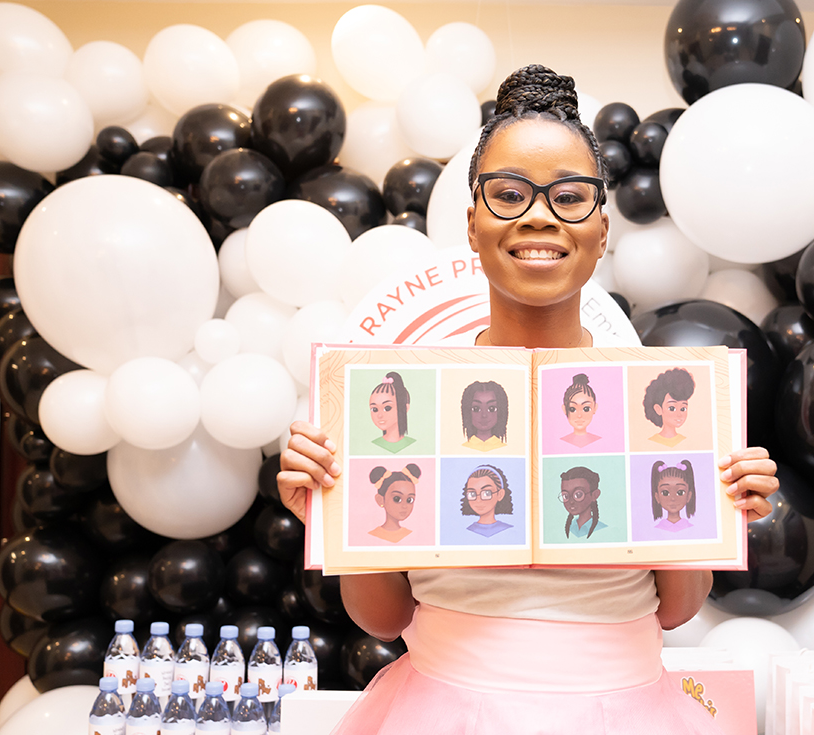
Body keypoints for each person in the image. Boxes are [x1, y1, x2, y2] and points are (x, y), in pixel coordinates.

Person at [277, 64, 779, 735]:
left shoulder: (656, 406)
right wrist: (332, 506)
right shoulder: (405, 402)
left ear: (602, 231)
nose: (539, 215)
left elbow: (673, 608)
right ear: (473, 224)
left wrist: (718, 507)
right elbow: (385, 617)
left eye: (570, 197)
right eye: (509, 193)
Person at [368, 464, 421, 543]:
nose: (404, 506)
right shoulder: (371, 536)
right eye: (397, 499)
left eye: (409, 500)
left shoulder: (412, 535)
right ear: (380, 500)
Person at [643, 368, 694, 447]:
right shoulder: (651, 443)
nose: (679, 414)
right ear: (658, 409)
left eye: (683, 409)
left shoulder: (687, 442)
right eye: (672, 408)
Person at [460, 464, 514, 537]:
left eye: (486, 493)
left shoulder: (509, 530)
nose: (478, 500)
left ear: (500, 494)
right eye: (472, 494)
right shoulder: (466, 531)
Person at [369, 372, 415, 453]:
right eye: (374, 409)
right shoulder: (372, 445)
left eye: (387, 408)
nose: (379, 415)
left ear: (405, 408)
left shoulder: (413, 445)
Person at [460, 380, 508, 451]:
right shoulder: (462, 449)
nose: (484, 415)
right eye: (476, 409)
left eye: (491, 408)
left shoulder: (505, 448)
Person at [560, 466, 606, 539]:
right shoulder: (570, 528)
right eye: (566, 496)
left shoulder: (603, 530)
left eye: (578, 494)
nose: (571, 501)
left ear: (595, 495)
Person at [651, 460, 696, 532]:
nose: (673, 498)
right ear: (657, 497)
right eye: (665, 493)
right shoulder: (655, 530)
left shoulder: (692, 529)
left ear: (689, 495)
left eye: (680, 492)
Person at [560, 373, 602, 448]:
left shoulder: (600, 442)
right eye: (572, 409)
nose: (579, 415)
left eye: (586, 409)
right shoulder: (560, 443)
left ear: (594, 408)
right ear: (564, 409)